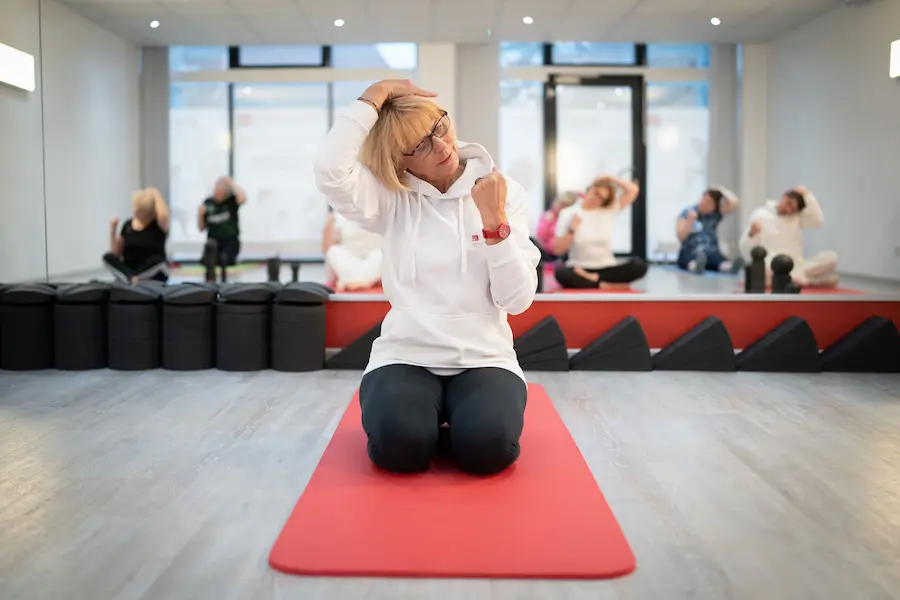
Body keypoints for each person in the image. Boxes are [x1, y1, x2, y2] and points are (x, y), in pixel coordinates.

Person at [314, 79, 540, 476]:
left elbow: (517, 301)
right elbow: (331, 172)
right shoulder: (390, 199)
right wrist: (376, 94)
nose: (442, 146)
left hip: (485, 358)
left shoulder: (504, 193)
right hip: (406, 356)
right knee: (398, 449)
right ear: (399, 161)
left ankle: (453, 423)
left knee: (489, 450)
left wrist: (494, 223)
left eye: (439, 126)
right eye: (420, 145)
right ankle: (424, 424)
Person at [552, 175, 646, 289]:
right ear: (590, 188)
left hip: (607, 267)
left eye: (602, 198)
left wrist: (611, 178)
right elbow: (558, 250)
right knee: (561, 272)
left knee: (639, 265)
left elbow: (633, 191)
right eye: (596, 193)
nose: (597, 199)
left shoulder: (609, 210)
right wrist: (571, 230)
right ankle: (606, 285)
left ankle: (594, 280)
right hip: (579, 268)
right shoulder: (568, 213)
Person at [739, 185, 838, 288]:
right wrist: (751, 234)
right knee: (761, 269)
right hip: (771, 265)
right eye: (788, 204)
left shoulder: (797, 218)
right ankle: (810, 280)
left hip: (795, 265)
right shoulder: (760, 214)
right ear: (784, 196)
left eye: (793, 209)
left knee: (831, 258)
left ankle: (792, 279)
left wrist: (807, 195)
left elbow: (818, 221)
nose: (788, 209)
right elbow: (745, 248)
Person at [103, 188, 170, 284]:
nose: (139, 214)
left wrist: (155, 193)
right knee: (108, 257)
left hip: (151, 272)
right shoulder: (128, 225)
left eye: (143, 212)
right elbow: (116, 253)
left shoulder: (158, 225)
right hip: (130, 271)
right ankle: (131, 278)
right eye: (138, 211)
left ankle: (133, 279)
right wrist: (113, 232)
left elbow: (163, 215)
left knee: (160, 261)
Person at [675, 185, 743, 274]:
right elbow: (681, 236)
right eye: (703, 199)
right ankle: (695, 266)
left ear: (715, 206)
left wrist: (719, 189)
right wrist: (689, 222)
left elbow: (735, 202)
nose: (703, 203)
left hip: (710, 250)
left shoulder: (715, 214)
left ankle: (729, 267)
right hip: (691, 250)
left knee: (717, 258)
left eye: (708, 202)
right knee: (690, 259)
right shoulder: (688, 212)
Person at [198, 176, 247, 283]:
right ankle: (210, 281)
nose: (217, 194)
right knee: (209, 257)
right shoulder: (208, 203)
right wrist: (200, 215)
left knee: (224, 258)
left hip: (230, 241)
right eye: (216, 191)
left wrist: (231, 183)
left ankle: (224, 282)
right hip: (213, 242)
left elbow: (243, 198)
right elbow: (201, 228)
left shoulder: (231, 201)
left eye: (221, 192)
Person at [322, 208, 383, 291]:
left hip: (375, 260)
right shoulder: (339, 214)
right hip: (349, 260)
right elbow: (327, 248)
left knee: (384, 254)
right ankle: (355, 279)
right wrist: (329, 223)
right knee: (333, 251)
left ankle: (361, 280)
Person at [533, 191, 580, 262]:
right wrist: (548, 221)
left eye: (565, 205)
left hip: (563, 255)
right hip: (546, 254)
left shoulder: (569, 219)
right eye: (560, 203)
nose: (561, 207)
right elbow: (540, 237)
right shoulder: (547, 216)